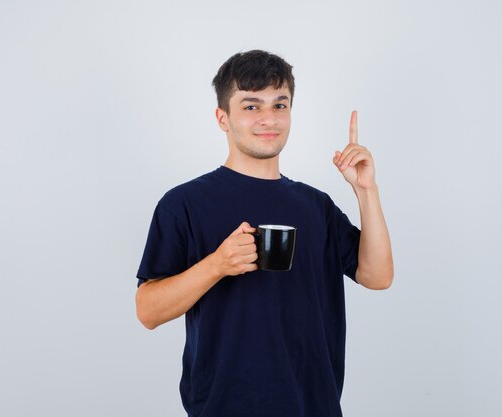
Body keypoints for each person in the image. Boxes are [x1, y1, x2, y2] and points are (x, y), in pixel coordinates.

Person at [135, 50, 393, 417]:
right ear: (222, 118)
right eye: (251, 106)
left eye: (280, 104)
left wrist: (366, 190)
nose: (269, 119)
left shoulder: (316, 206)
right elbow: (147, 311)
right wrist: (217, 265)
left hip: (314, 406)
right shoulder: (184, 204)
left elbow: (378, 276)